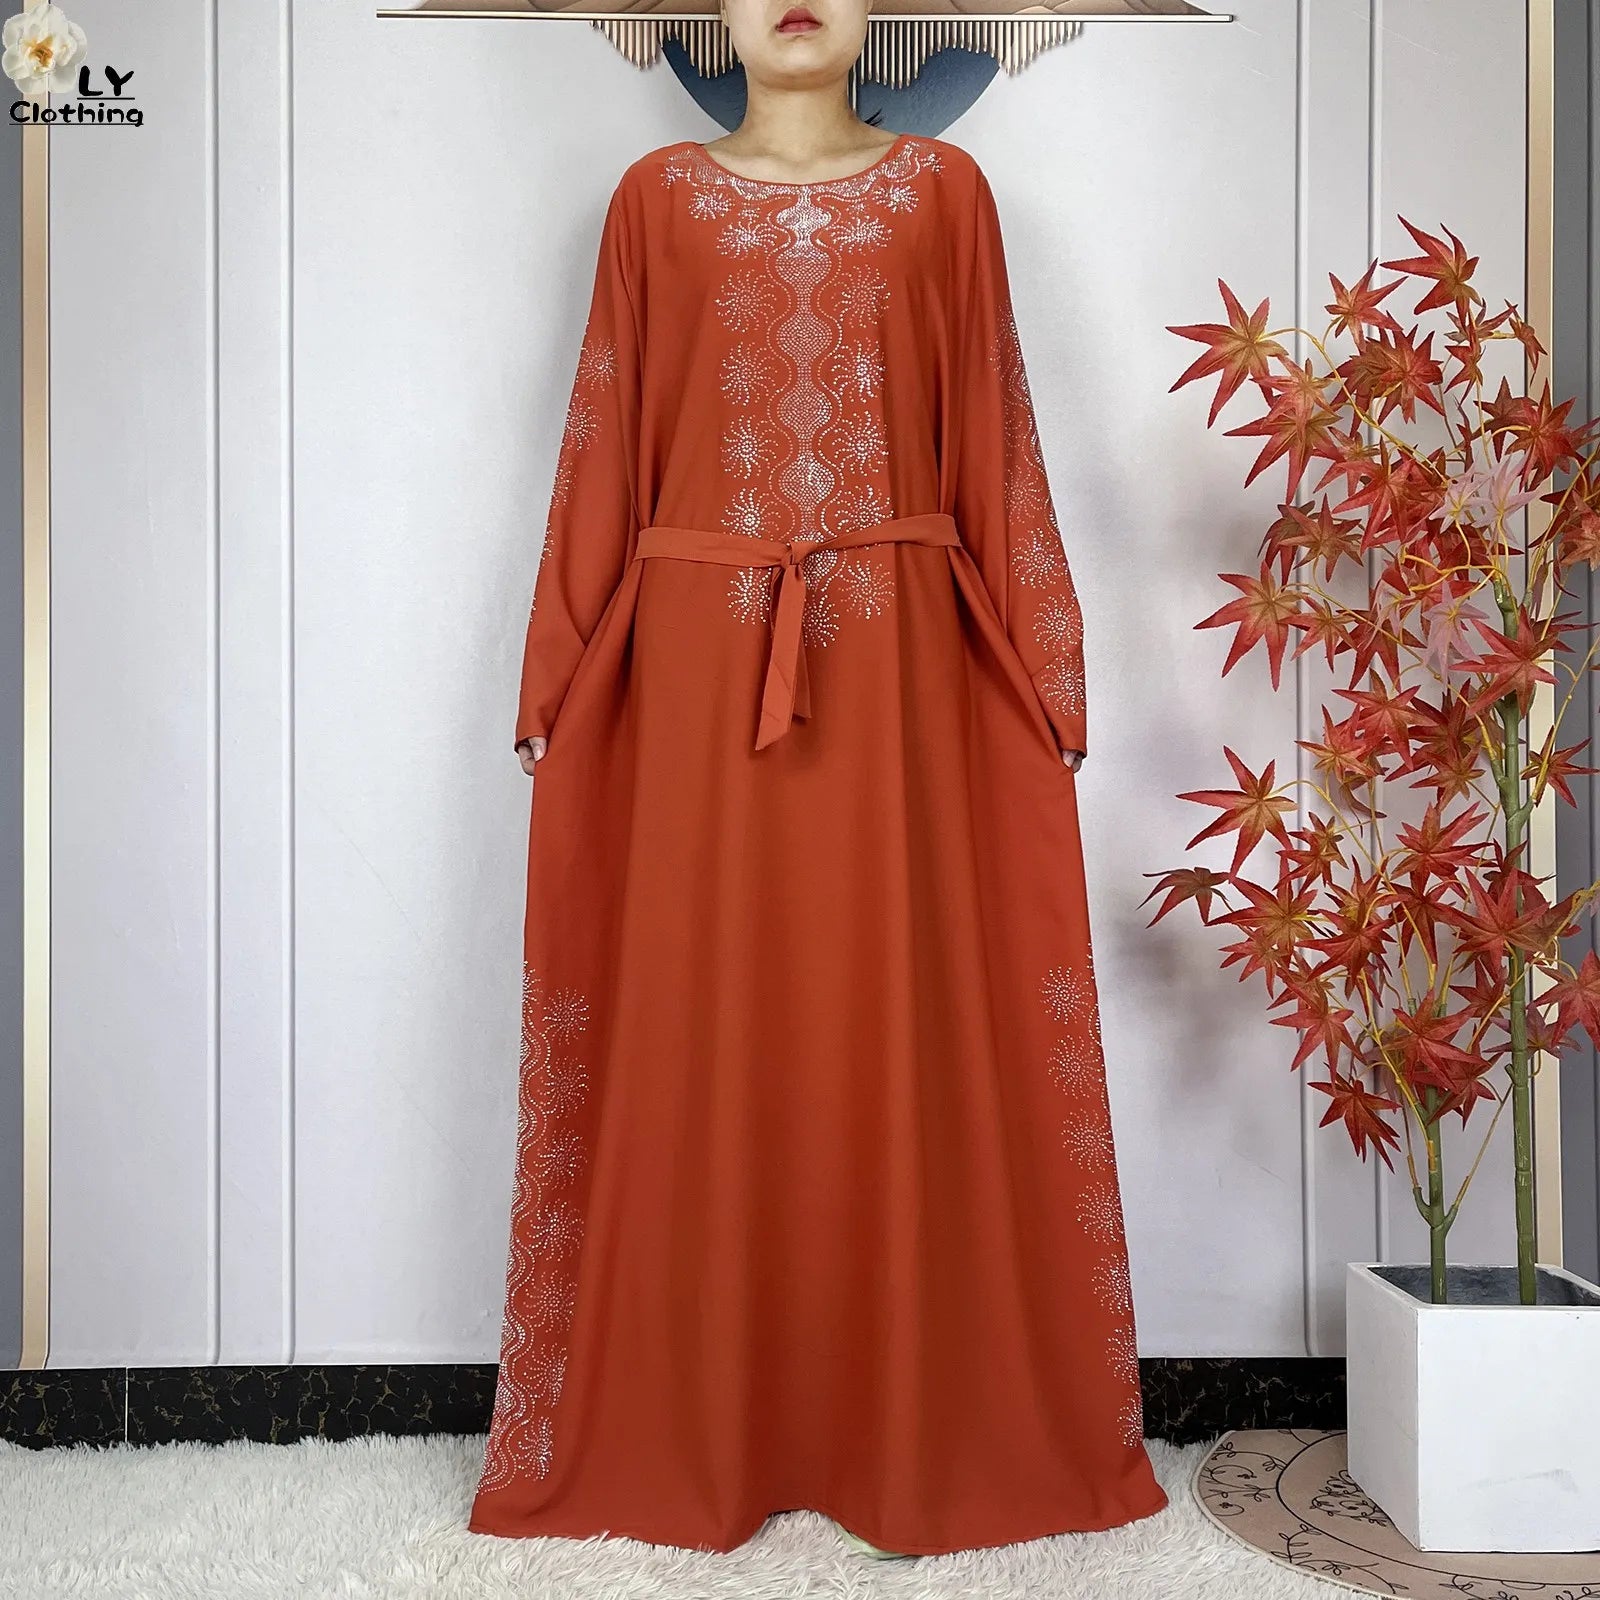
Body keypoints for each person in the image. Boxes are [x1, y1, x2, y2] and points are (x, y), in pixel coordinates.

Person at [467, 0, 1168, 1558]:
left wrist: (1045, 659)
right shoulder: (652, 204)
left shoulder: (946, 197)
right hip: (695, 675)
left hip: (902, 671)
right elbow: (601, 439)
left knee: (888, 1020)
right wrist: (560, 667)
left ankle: (903, 1427)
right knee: (704, 1020)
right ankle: (698, 1428)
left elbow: (995, 438)